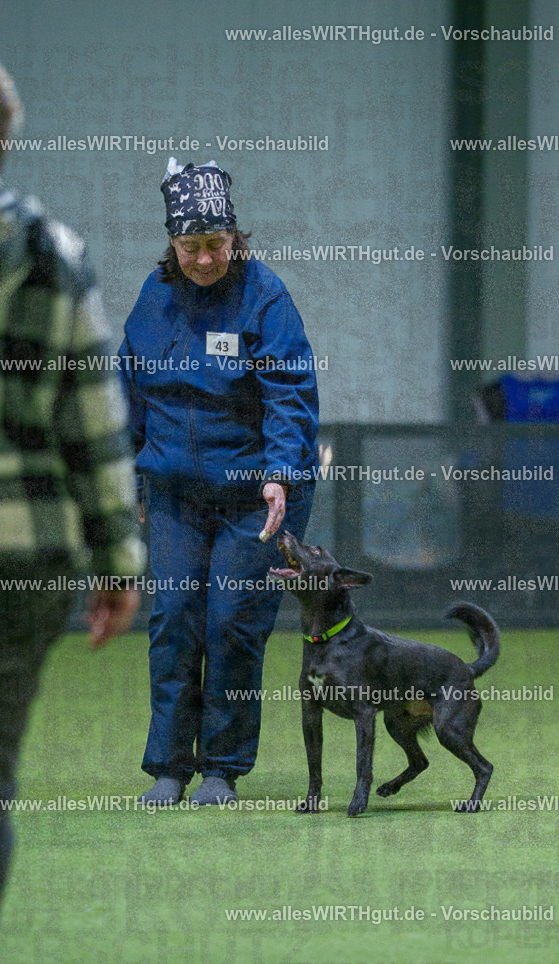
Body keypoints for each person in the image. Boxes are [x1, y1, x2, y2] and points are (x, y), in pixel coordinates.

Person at [0, 46, 144, 964]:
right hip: (20, 558)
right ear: (4, 139)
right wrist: (119, 561)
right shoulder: (53, 252)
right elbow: (94, 422)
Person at [120, 157, 319, 807]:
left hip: (256, 495)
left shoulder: (265, 297)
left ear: (235, 237)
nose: (204, 259)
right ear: (171, 244)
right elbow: (131, 394)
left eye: (215, 244)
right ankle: (169, 766)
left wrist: (280, 474)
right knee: (175, 618)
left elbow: (289, 394)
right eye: (190, 246)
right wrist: (131, 477)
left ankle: (221, 769)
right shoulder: (152, 301)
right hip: (176, 492)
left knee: (231, 621)